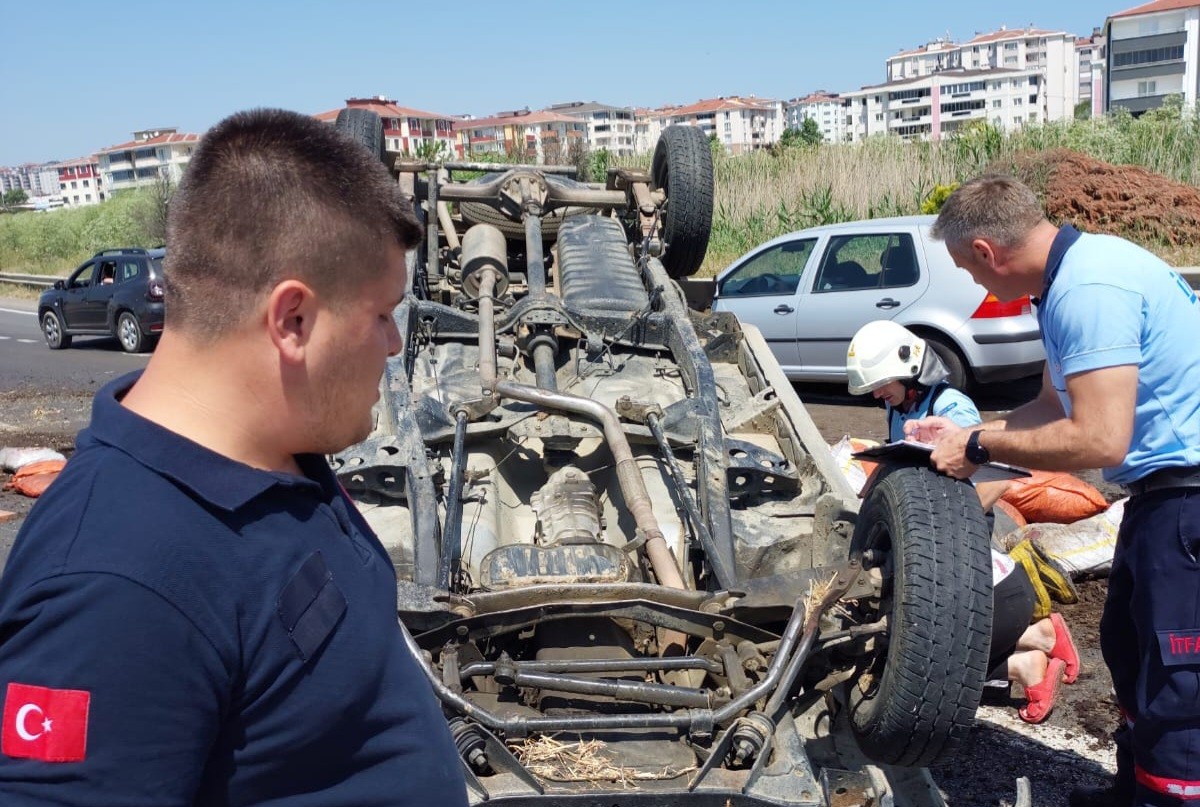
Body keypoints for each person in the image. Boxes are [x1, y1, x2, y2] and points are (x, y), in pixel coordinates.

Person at [0, 109, 468, 806]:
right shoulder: (111, 585)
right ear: (292, 320)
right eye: (381, 315)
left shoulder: (280, 450)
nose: (394, 344)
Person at [909, 174, 1200, 807]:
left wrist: (979, 451)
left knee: (1178, 678)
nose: (975, 285)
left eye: (968, 269)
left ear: (986, 251)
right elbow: (1050, 407)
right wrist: (970, 432)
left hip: (1188, 501)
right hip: (1159, 499)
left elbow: (1099, 438)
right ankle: (1134, 789)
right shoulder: (1070, 278)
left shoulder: (1088, 291)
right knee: (1130, 648)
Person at [847, 319, 1080, 724]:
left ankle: (1028, 658)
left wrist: (956, 527)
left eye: (882, 383)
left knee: (928, 654)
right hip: (922, 532)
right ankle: (1037, 640)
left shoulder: (952, 408)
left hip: (950, 535)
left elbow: (996, 477)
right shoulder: (899, 406)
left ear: (910, 369)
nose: (877, 393)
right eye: (873, 387)